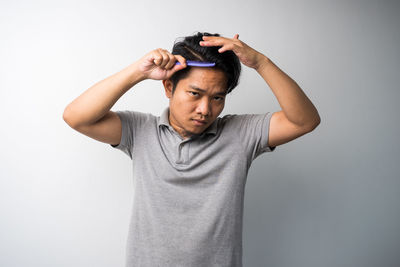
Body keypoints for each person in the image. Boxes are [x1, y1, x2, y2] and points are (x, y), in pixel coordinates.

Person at [63, 31, 320, 267]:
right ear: (168, 87)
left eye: (217, 98)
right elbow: (77, 117)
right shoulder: (140, 131)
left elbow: (305, 121)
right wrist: (137, 72)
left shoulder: (240, 135)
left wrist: (261, 63)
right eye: (195, 94)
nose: (205, 109)